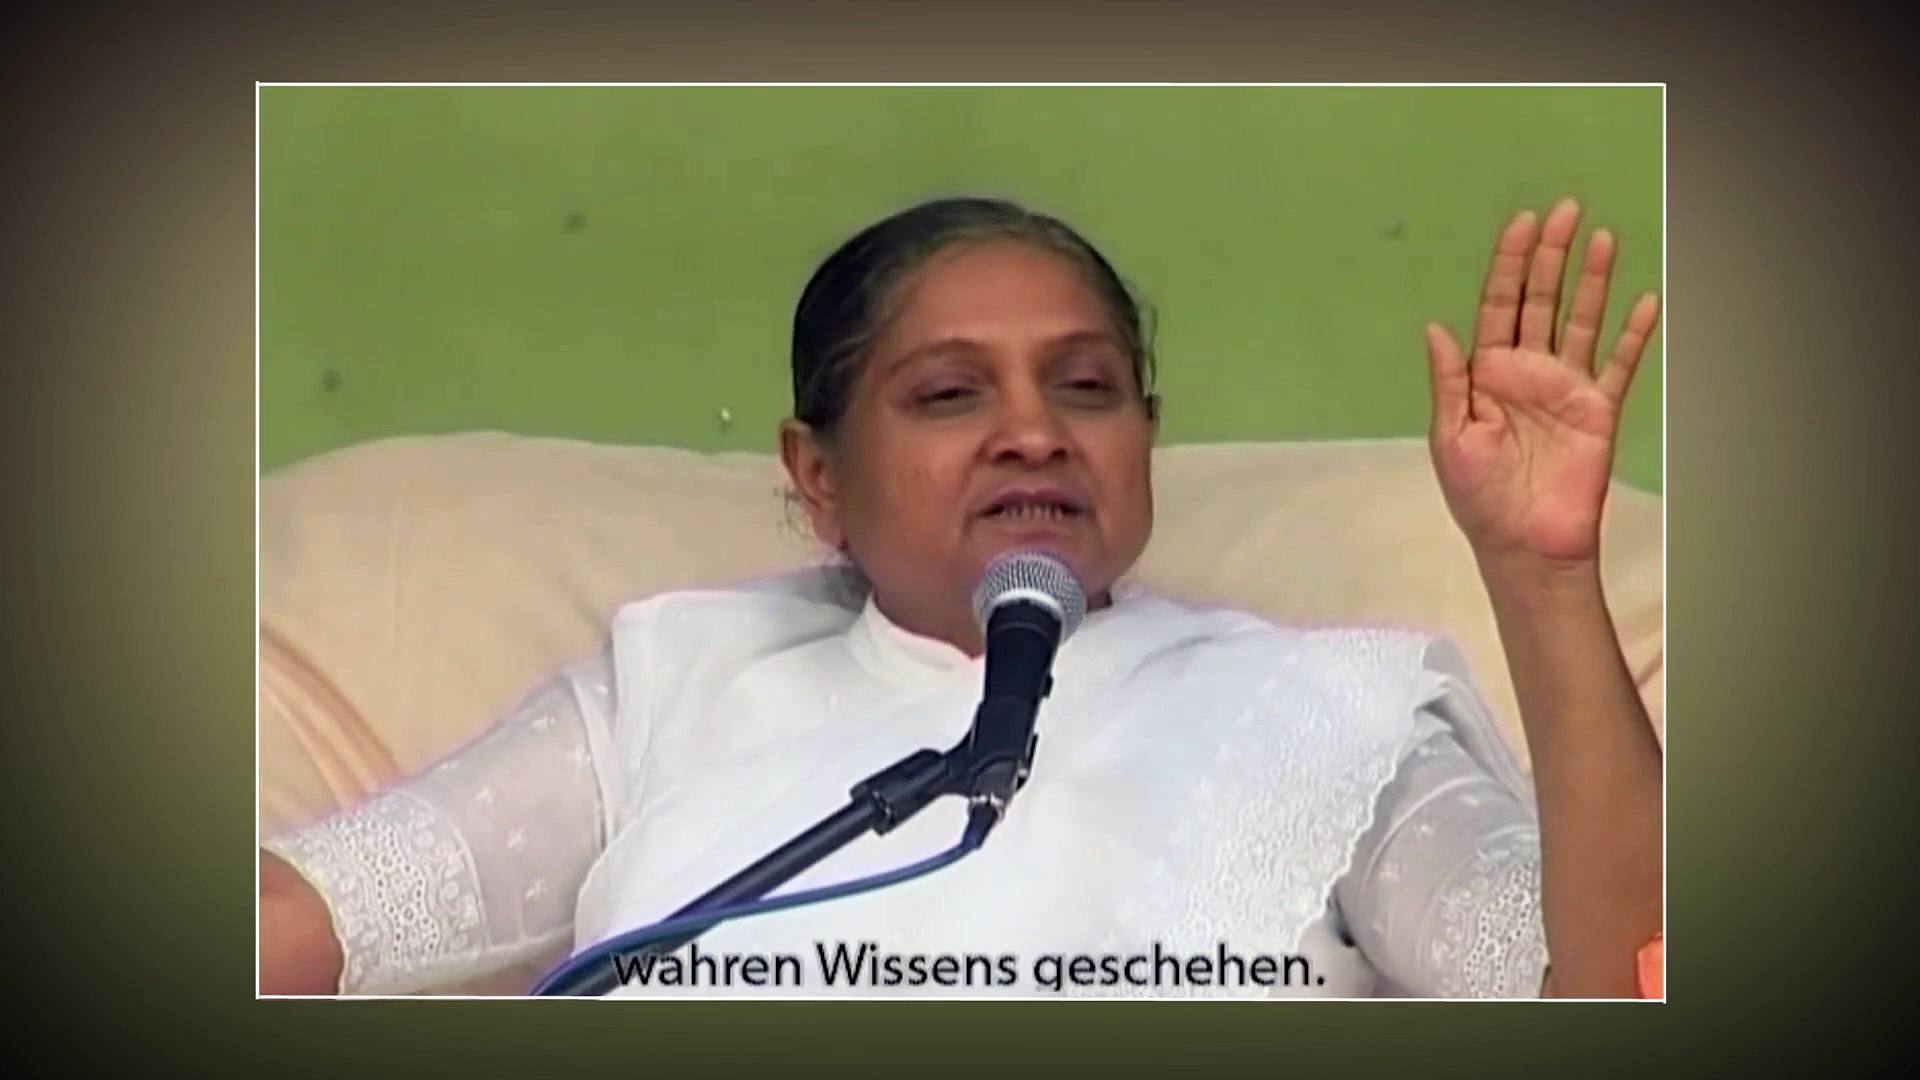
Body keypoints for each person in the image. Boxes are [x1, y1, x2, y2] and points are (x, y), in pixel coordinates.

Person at [258, 195, 1663, 999]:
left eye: (1086, 387)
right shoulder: (670, 686)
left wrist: (1541, 575)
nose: (1033, 433)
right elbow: (297, 926)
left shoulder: (1335, 710)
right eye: (948, 395)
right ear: (818, 476)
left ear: (1143, 438)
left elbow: (1615, 985)